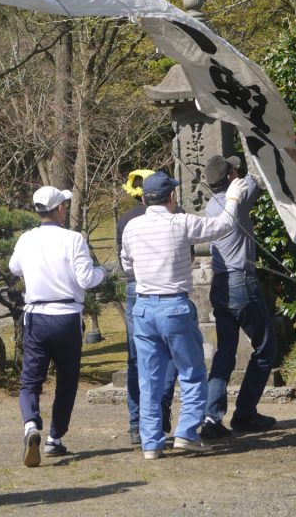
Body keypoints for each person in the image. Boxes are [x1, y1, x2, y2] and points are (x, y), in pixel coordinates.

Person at [120, 170, 249, 459]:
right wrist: (232, 197)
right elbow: (223, 225)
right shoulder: (181, 222)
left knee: (148, 379)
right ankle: (186, 433)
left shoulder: (131, 227)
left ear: (144, 198)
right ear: (172, 196)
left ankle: (151, 443)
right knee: (191, 371)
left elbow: (126, 264)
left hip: (142, 306)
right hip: (174, 305)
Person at [9, 186, 106, 466]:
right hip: (66, 315)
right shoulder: (73, 239)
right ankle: (55, 438)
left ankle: (30, 424)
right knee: (67, 379)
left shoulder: (26, 239)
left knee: (31, 379)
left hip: (37, 314)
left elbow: (14, 267)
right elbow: (87, 279)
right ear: (60, 209)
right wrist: (103, 272)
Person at [200, 154, 277, 438]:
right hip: (240, 281)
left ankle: (211, 418)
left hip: (218, 283)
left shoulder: (210, 205)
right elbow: (257, 176)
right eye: (234, 170)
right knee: (265, 348)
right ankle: (245, 413)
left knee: (225, 352)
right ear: (230, 177)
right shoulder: (238, 198)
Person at [115, 170, 177, 446]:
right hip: (167, 290)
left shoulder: (125, 220)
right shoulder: (175, 217)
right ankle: (161, 404)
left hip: (135, 289)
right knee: (173, 350)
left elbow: (124, 262)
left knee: (136, 358)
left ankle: (136, 422)